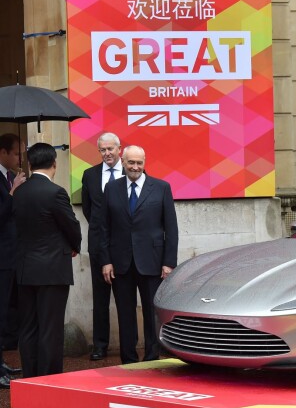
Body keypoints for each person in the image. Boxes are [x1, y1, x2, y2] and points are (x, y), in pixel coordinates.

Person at [101, 145, 178, 364]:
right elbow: (103, 228)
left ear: (145, 163)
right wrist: (105, 261)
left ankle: (152, 357)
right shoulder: (112, 188)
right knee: (125, 314)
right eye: (131, 162)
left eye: (139, 163)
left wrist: (168, 263)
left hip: (152, 263)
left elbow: (171, 229)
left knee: (151, 313)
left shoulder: (161, 188)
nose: (135, 167)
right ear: (122, 162)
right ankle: (129, 359)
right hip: (120, 263)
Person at [12, 143, 82, 378]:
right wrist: (74, 246)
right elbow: (71, 225)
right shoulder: (56, 192)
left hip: (24, 269)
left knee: (29, 327)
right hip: (52, 269)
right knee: (50, 328)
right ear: (54, 163)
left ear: (30, 165)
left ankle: (30, 377)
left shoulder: (18, 192)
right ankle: (49, 379)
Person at [81, 132, 123, 361]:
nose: (107, 153)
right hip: (98, 247)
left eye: (110, 149)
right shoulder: (90, 175)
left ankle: (128, 344)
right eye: (103, 150)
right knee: (100, 300)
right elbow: (89, 211)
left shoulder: (132, 171)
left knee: (125, 299)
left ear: (119, 149)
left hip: (125, 248)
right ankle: (100, 345)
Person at [0, 133, 26, 388]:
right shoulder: (6, 181)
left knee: (7, 313)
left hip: (13, 255)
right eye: (17, 153)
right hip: (2, 257)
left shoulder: (8, 176)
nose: (20, 158)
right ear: (4, 152)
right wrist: (13, 192)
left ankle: (2, 363)